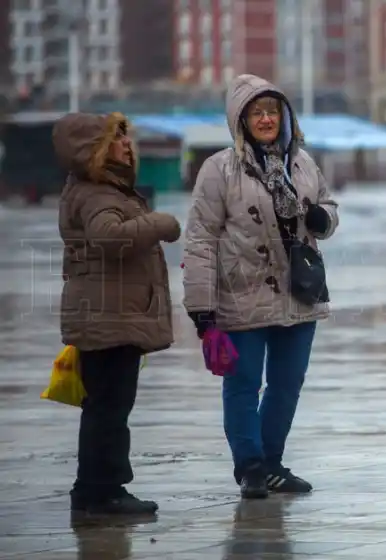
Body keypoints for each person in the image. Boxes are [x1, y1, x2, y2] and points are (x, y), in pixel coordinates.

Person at [182, 74, 339, 499]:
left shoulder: (302, 162)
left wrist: (324, 218)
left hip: (299, 292)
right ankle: (249, 465)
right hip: (241, 292)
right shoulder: (219, 169)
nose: (266, 119)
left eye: (273, 111)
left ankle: (272, 461)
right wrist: (201, 307)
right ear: (241, 120)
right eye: (257, 112)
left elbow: (326, 204)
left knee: (287, 384)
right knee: (243, 384)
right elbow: (200, 239)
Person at [55, 112, 182, 514]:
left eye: (127, 137)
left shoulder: (101, 189)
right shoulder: (98, 194)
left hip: (110, 313)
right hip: (108, 317)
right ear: (94, 149)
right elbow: (109, 237)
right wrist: (158, 224)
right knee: (109, 408)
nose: (128, 144)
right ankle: (101, 492)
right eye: (116, 138)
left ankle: (98, 488)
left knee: (108, 406)